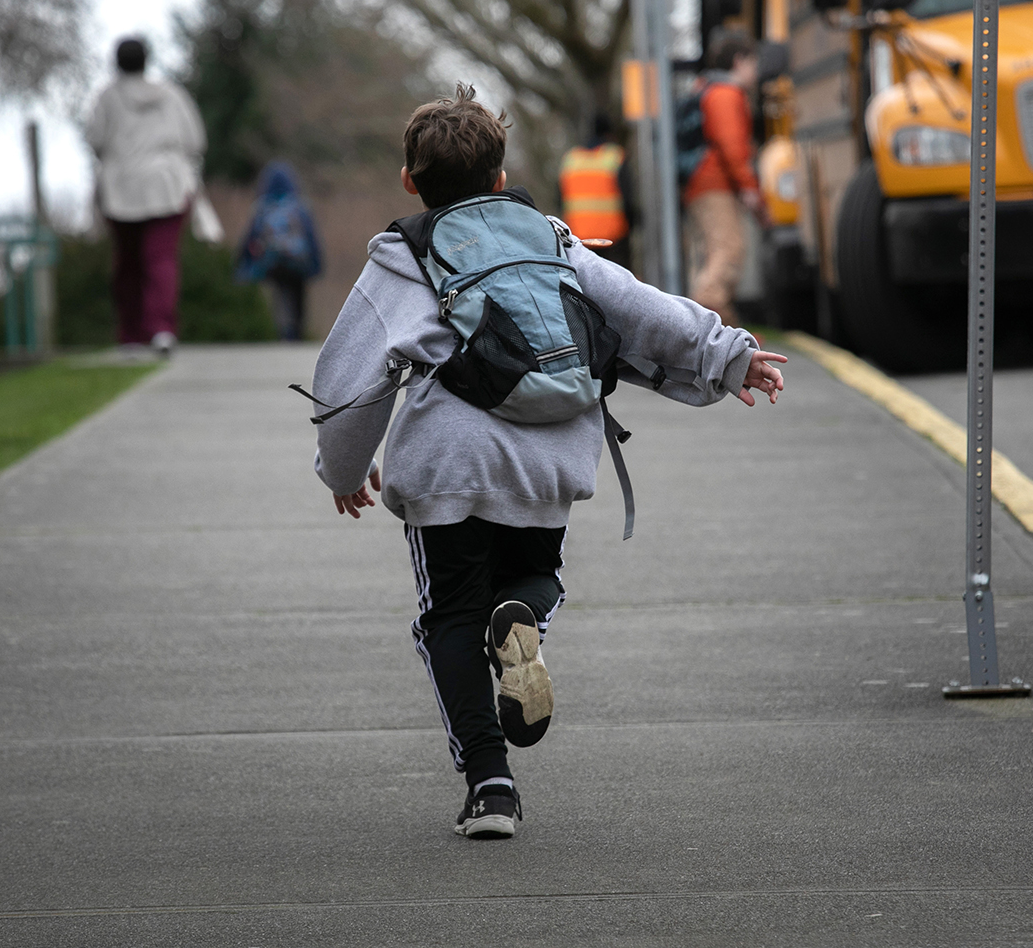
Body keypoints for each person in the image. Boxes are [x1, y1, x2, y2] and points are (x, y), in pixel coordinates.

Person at [307, 85, 787, 839]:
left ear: (410, 182)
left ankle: (492, 789)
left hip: (449, 462)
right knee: (532, 577)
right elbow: (638, 306)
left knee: (449, 620)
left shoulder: (400, 256)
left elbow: (349, 376)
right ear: (501, 177)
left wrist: (343, 470)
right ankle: (524, 614)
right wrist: (731, 355)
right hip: (549, 453)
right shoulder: (550, 235)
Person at [84, 37, 207, 357]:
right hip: (167, 186)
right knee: (161, 260)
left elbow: (95, 141)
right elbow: (195, 140)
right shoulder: (172, 95)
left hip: (121, 190)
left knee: (128, 264)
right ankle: (162, 329)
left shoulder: (107, 98)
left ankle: (131, 333)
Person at [681, 33, 764, 326]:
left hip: (699, 184)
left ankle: (712, 328)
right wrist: (749, 189)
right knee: (728, 251)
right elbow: (732, 147)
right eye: (753, 64)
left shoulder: (705, 89)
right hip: (715, 185)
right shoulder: (726, 94)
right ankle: (710, 318)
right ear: (739, 61)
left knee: (709, 255)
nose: (756, 72)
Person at [237, 161, 323, 341]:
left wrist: (242, 265)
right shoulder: (300, 206)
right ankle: (296, 332)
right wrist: (317, 265)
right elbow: (311, 238)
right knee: (298, 295)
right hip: (298, 262)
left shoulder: (262, 207)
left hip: (272, 261)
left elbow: (250, 239)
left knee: (280, 294)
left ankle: (283, 331)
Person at [558, 113, 635, 270]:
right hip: (613, 238)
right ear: (609, 134)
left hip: (579, 239)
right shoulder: (614, 156)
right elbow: (627, 199)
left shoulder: (571, 160)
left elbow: (560, 200)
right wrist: (631, 225)